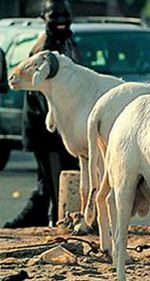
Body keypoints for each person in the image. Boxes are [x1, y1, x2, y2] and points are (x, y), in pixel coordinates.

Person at [4, 0, 80, 228]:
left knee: (50, 181)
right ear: (44, 18)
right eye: (54, 16)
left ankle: (35, 218)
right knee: (56, 180)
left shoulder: (67, 42)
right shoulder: (44, 50)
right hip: (47, 127)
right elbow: (42, 95)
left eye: (64, 15)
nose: (60, 20)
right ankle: (60, 222)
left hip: (63, 125)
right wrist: (60, 121)